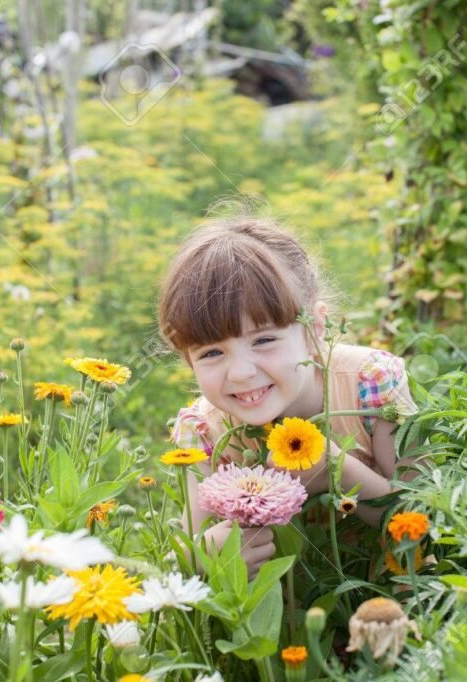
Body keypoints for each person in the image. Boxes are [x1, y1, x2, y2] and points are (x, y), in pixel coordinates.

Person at [156, 214, 418, 578]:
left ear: (315, 331)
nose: (241, 372)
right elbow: (180, 554)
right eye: (211, 353)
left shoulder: (369, 384)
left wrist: (336, 470)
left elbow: (423, 521)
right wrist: (203, 558)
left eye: (263, 340)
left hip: (393, 597)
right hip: (280, 624)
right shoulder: (203, 431)